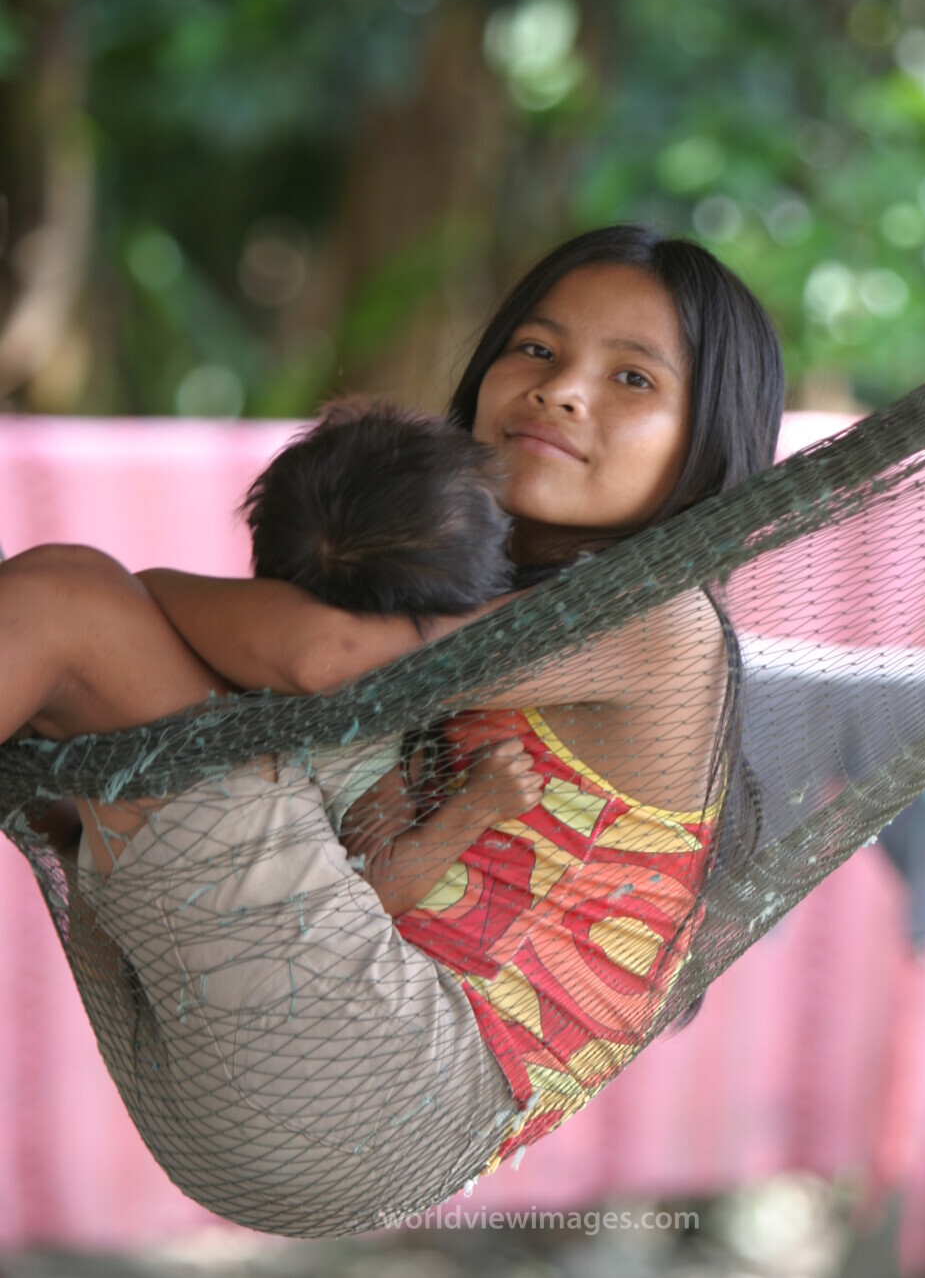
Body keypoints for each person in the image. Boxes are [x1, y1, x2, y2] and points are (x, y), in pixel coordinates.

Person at [0, 224, 784, 1234]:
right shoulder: (461, 592)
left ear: (703, 448)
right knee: (76, 650)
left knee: (69, 604)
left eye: (631, 379)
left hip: (379, 1085)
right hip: (284, 1053)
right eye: (536, 351)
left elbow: (321, 662)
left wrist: (135, 599)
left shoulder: (658, 620)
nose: (561, 390)